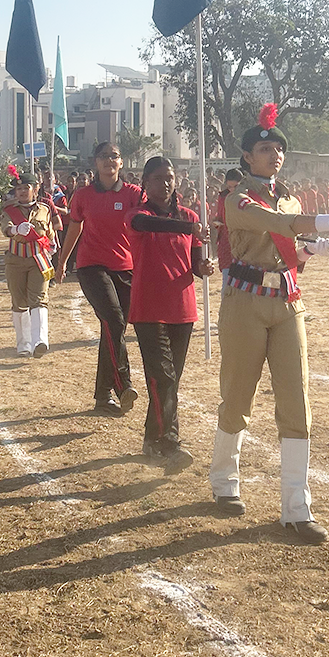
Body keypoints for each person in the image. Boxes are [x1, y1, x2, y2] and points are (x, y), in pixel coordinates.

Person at [208, 104, 329, 545]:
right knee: (238, 396)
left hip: (286, 302)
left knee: (297, 403)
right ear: (246, 156)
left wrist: (310, 252)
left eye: (279, 148)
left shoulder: (290, 197)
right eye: (265, 148)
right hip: (244, 302)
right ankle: (224, 481)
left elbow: (287, 250)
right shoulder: (238, 197)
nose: (274, 154)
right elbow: (273, 224)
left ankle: (296, 509)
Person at [127, 156, 214, 472]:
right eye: (158, 178)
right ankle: (170, 445)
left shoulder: (190, 216)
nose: (166, 183)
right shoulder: (139, 215)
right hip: (149, 308)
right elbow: (147, 226)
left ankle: (152, 440)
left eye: (170, 177)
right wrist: (188, 227)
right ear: (146, 184)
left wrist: (202, 268)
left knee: (168, 380)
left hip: (182, 308)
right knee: (162, 377)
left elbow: (193, 263)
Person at [55, 142, 142, 416]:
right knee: (114, 320)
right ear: (95, 162)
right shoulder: (82, 196)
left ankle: (102, 396)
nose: (109, 161)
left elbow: (146, 228)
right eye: (104, 157)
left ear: (121, 162)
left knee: (112, 329)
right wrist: (62, 263)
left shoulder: (134, 195)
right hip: (91, 267)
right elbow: (74, 229)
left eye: (114, 156)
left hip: (125, 269)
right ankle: (123, 384)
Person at [1, 167, 55, 357]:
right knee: (19, 302)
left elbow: (49, 231)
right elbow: (6, 229)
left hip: (38, 261)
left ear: (36, 188)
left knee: (39, 299)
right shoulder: (9, 210)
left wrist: (53, 245)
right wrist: (16, 229)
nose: (23, 191)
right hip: (15, 261)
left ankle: (40, 340)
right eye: (19, 189)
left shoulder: (45, 209)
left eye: (27, 187)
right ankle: (23, 344)